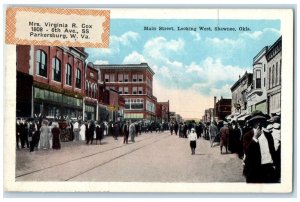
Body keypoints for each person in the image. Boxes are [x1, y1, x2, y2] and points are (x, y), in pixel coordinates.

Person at [243, 110, 277, 183]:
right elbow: (247, 152)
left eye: (260, 120)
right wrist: (254, 138)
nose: (258, 123)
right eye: (256, 121)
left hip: (269, 169)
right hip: (254, 170)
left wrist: (274, 164)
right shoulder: (247, 136)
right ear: (252, 122)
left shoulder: (268, 134)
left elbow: (273, 151)